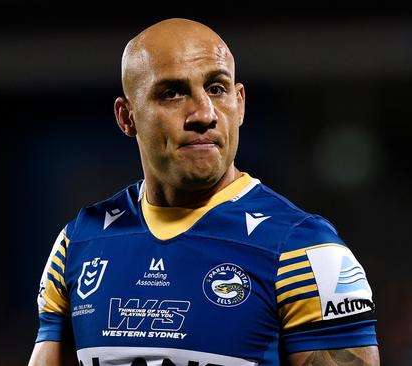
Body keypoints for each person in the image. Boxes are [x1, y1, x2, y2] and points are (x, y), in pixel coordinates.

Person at [28, 18, 379, 366]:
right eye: (173, 93)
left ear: (239, 103)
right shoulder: (78, 244)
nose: (204, 113)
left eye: (216, 88)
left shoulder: (305, 251)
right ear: (127, 116)